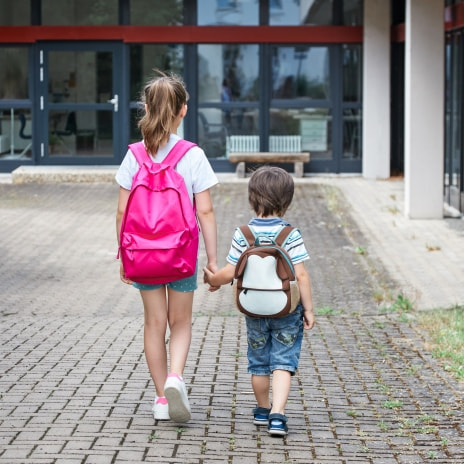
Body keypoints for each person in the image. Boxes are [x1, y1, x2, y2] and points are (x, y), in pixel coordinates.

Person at [115, 71, 218, 423]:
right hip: (181, 256)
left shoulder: (133, 156)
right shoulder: (193, 155)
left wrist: (123, 257)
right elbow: (204, 209)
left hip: (142, 255)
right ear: (183, 111)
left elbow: (121, 211)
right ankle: (176, 377)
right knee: (181, 321)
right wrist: (214, 261)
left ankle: (161, 398)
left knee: (153, 323)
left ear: (145, 108)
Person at [203, 166, 315, 437]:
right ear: (286, 201)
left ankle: (263, 409)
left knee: (259, 362)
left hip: (253, 308)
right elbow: (301, 275)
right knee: (283, 362)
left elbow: (231, 271)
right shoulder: (290, 235)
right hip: (286, 309)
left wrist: (214, 280)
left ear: (252, 199)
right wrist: (309, 309)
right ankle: (278, 415)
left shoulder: (244, 234)